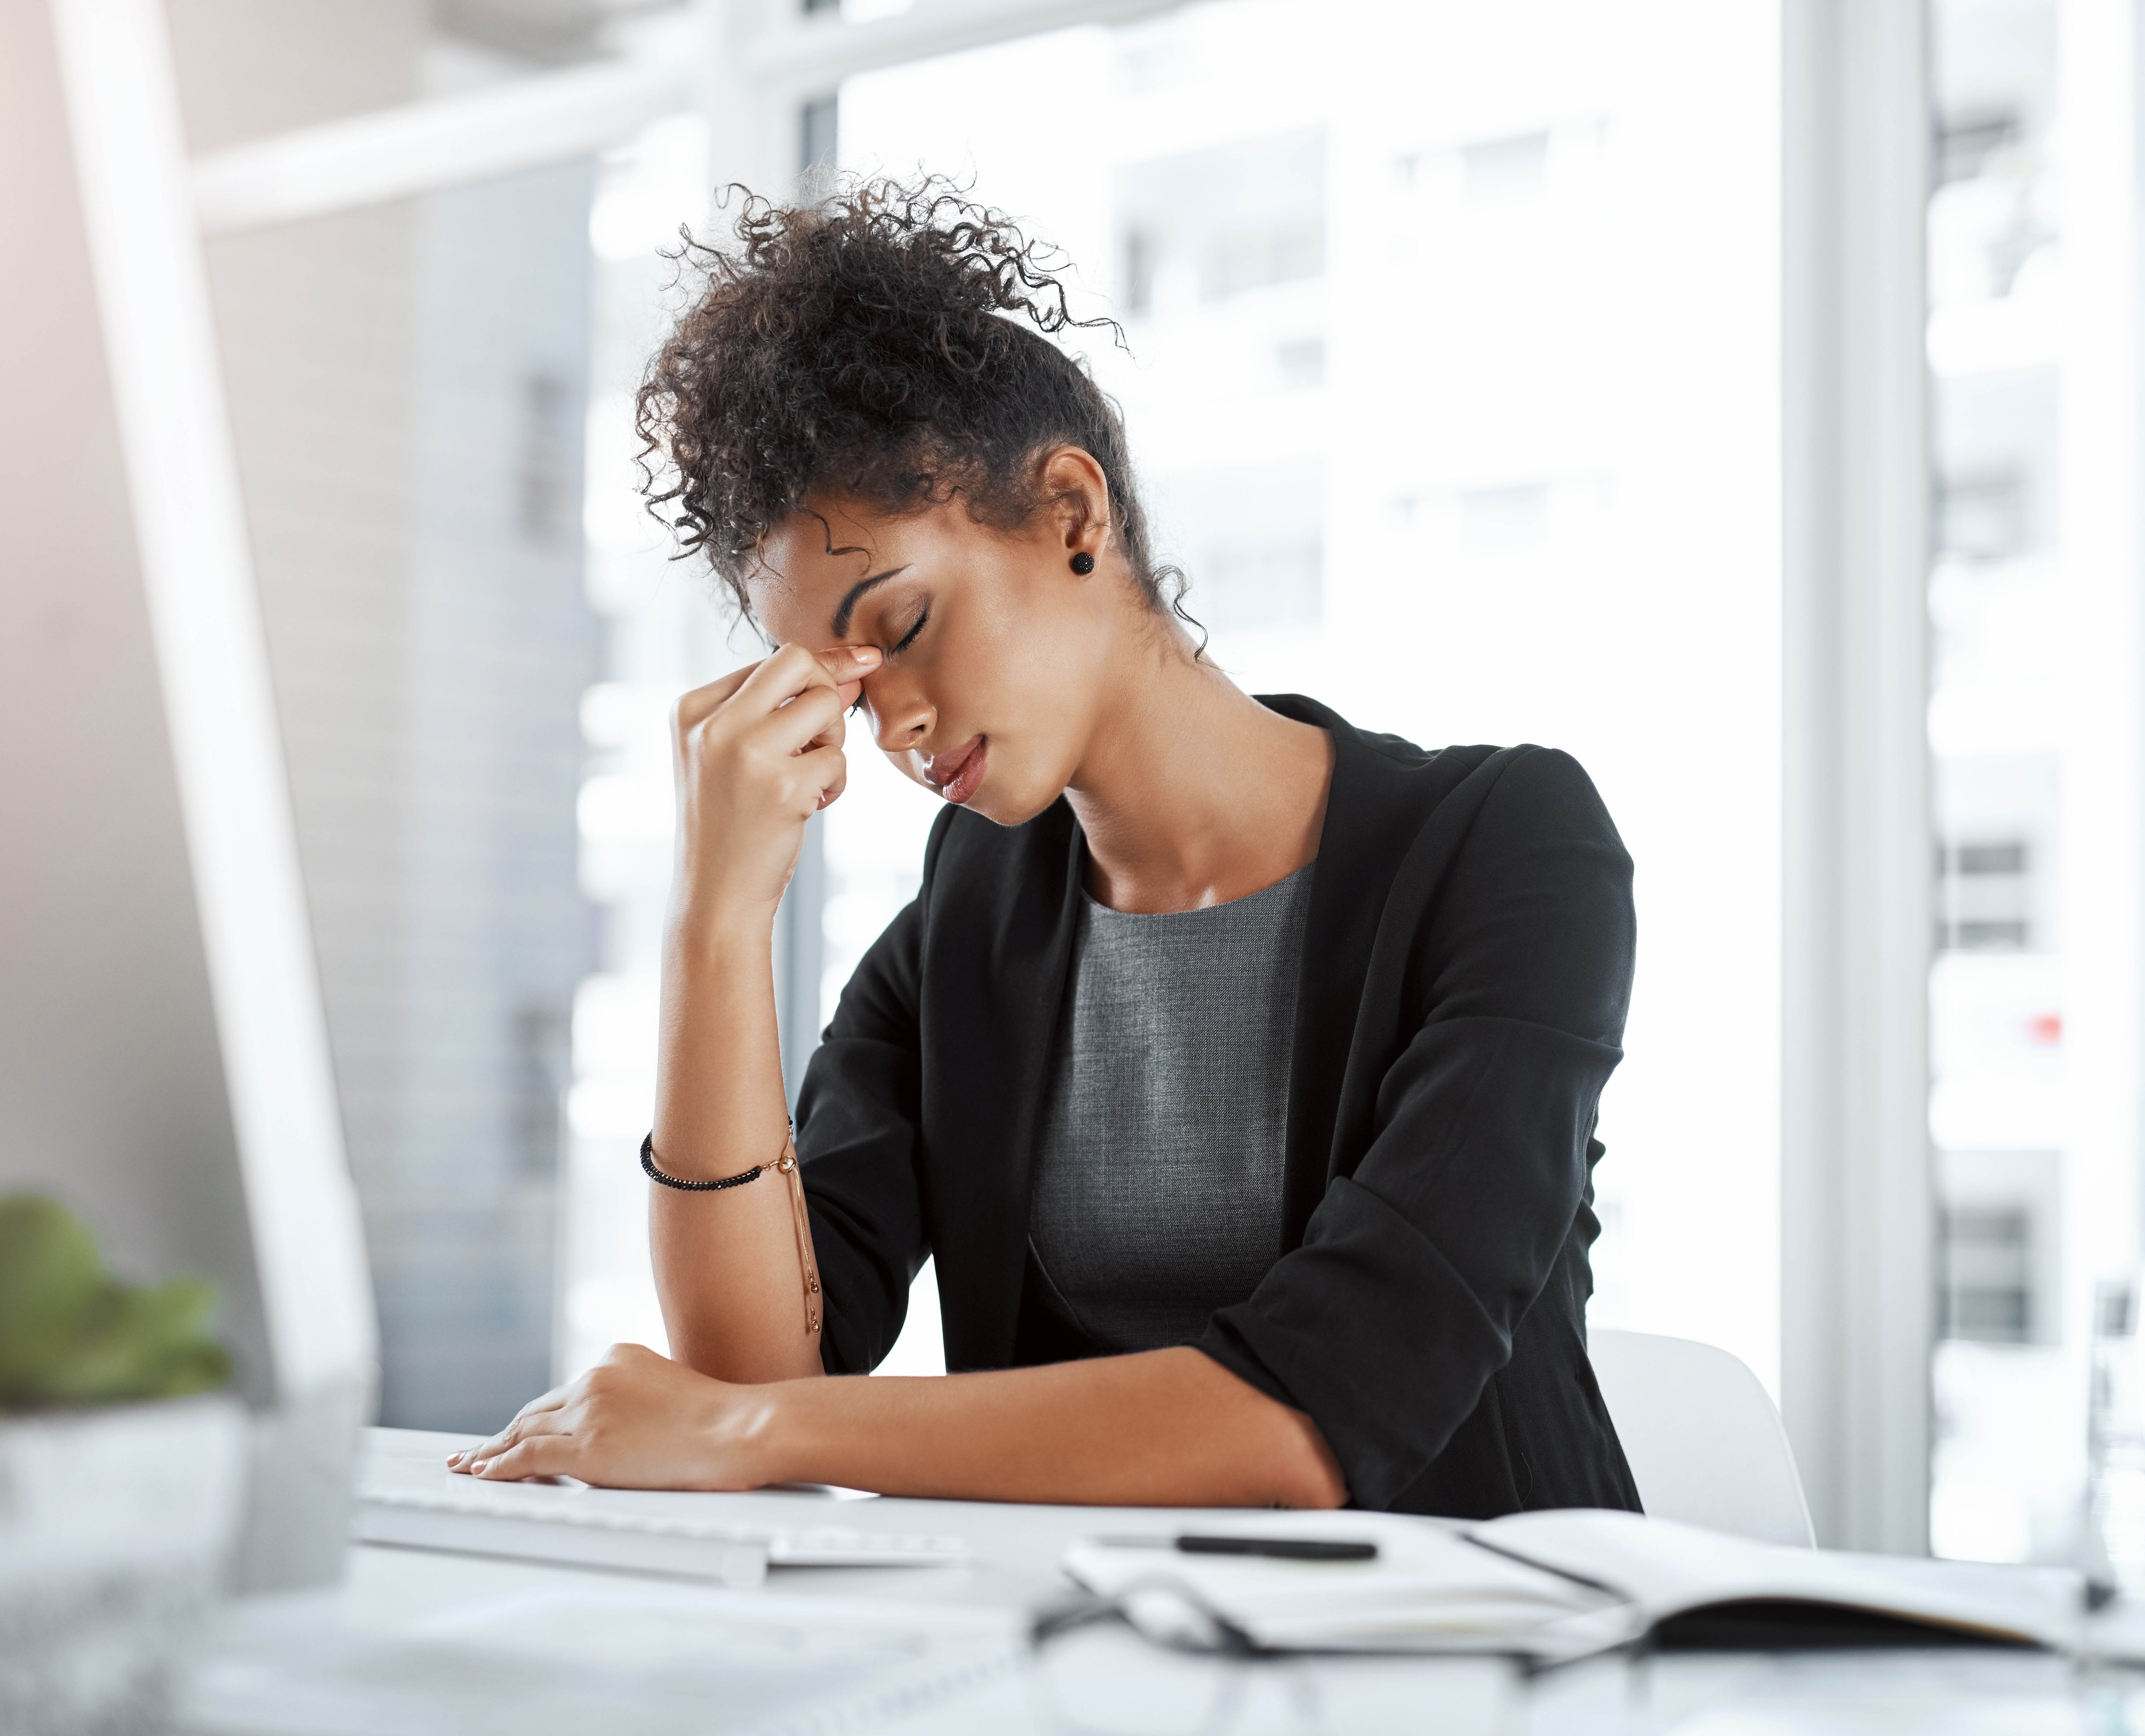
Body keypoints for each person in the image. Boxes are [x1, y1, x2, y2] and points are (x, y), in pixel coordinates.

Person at [451, 180, 1639, 1518]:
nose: (890, 722)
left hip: (1493, 1668)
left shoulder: (1511, 849)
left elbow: (1318, 1419)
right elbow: (764, 1362)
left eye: (897, 626)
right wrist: (714, 925)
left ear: (1073, 511)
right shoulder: (969, 920)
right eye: (843, 686)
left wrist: (749, 1429)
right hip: (1092, 1664)